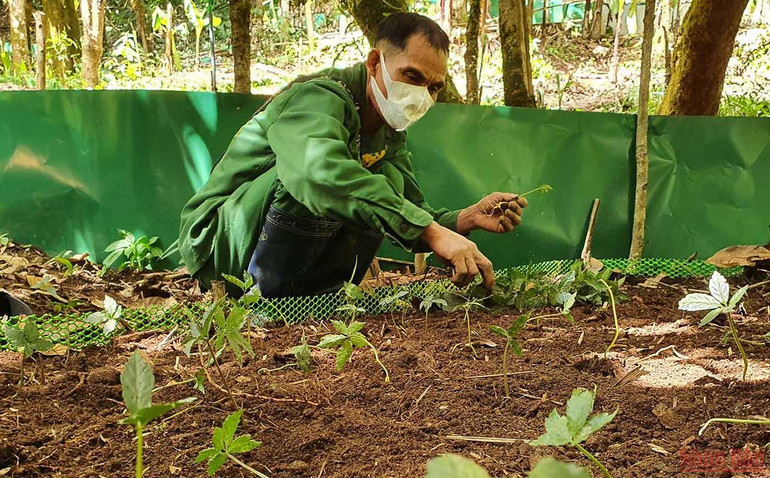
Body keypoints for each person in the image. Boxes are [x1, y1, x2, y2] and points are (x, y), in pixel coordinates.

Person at [179, 12, 528, 298]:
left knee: (382, 183)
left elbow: (409, 209)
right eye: (412, 76)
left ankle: (318, 296)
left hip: (267, 235)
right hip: (218, 244)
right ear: (375, 62)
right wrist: (433, 233)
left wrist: (461, 221)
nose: (421, 95)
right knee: (327, 180)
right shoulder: (317, 97)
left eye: (433, 87)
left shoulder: (388, 129)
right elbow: (317, 177)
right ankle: (264, 297)